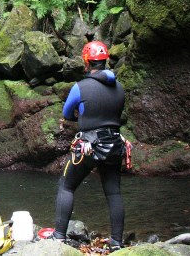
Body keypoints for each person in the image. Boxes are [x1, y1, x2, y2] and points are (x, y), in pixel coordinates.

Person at [51, 41, 126, 250]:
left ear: (86, 62)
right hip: (114, 144)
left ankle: (58, 236)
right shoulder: (119, 88)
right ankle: (117, 242)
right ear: (105, 61)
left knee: (66, 186)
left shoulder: (80, 87)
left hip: (89, 145)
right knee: (113, 193)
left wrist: (81, 115)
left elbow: (67, 113)